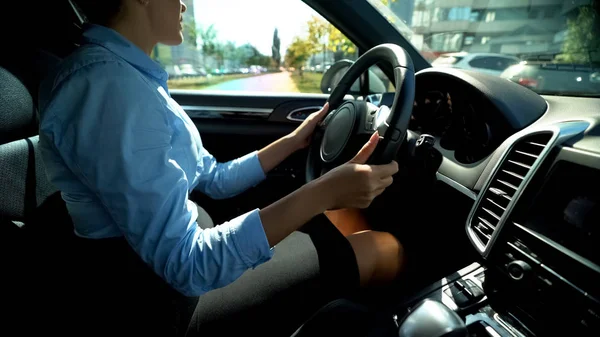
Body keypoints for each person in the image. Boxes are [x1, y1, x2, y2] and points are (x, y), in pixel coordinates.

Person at [37, 0, 404, 335]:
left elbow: (213, 178)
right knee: (381, 247)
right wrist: (323, 192)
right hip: (162, 301)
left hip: (175, 263)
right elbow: (187, 265)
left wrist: (293, 141)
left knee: (346, 221)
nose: (183, 4)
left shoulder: (130, 77)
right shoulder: (107, 87)